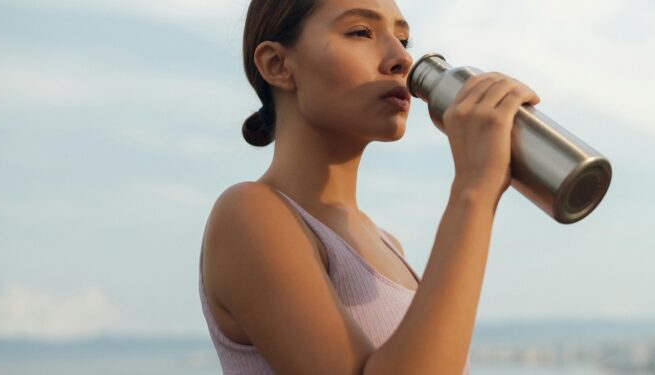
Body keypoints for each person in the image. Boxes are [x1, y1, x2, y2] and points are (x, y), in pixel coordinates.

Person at [199, 0, 541, 373]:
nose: (401, 60)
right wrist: (474, 190)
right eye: (361, 32)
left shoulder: (388, 245)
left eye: (404, 39)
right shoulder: (249, 214)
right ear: (277, 65)